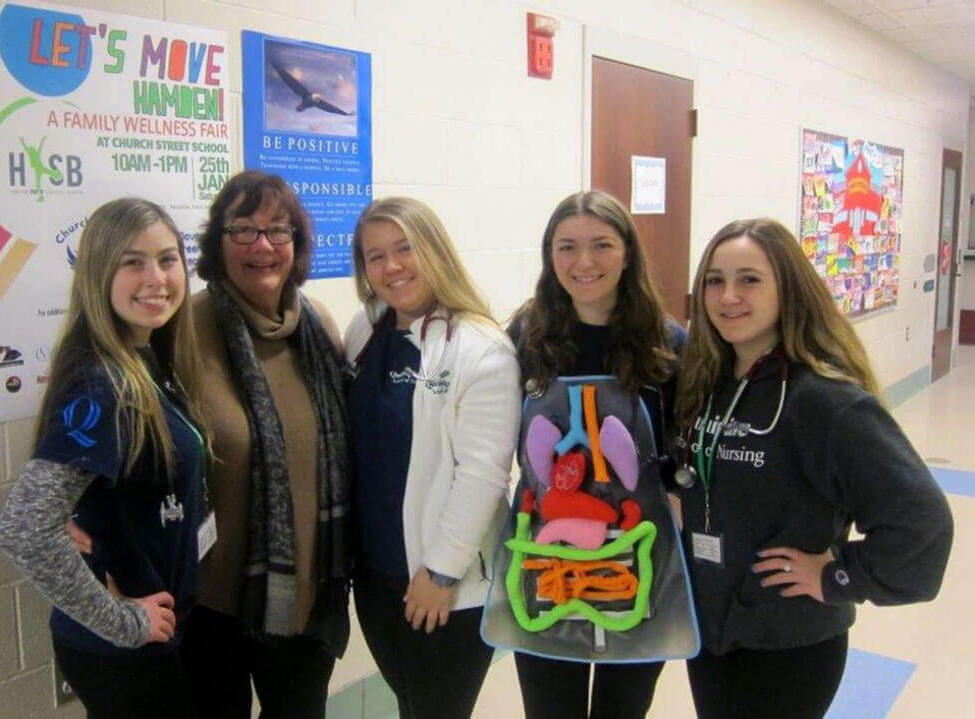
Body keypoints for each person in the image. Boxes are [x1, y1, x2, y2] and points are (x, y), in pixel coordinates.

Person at [673, 218, 954, 719]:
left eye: (749, 279)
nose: (727, 296)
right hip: (715, 632)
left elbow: (922, 522)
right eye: (714, 280)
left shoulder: (825, 401)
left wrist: (838, 577)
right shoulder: (707, 386)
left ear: (789, 289)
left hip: (789, 644)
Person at [0, 197, 210, 718]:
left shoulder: (146, 359)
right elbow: (24, 529)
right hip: (122, 652)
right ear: (97, 273)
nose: (156, 277)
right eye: (131, 262)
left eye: (167, 258)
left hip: (152, 639)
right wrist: (122, 620)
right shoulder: (104, 381)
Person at [507, 190, 685, 719]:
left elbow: (688, 447)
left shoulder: (669, 344)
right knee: (549, 706)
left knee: (623, 709)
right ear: (549, 255)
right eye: (567, 247)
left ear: (628, 253)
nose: (584, 262)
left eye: (602, 245)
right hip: (544, 553)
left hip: (638, 553)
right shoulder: (524, 335)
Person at [180, 171, 350, 718]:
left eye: (278, 231)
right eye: (243, 230)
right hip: (212, 605)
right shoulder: (183, 328)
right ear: (217, 242)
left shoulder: (318, 327)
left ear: (296, 243)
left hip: (308, 598)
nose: (262, 246)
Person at [343, 196, 521, 719]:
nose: (391, 266)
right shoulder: (367, 329)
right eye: (375, 256)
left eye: (405, 248)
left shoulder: (481, 348)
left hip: (444, 584)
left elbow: (482, 474)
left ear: (435, 251)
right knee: (411, 703)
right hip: (376, 575)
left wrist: (441, 572)